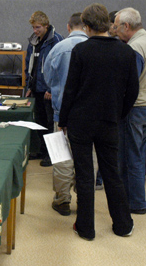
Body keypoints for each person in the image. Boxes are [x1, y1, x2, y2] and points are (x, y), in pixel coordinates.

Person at [59, 3, 138, 240]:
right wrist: (119, 113)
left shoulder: (81, 51)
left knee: (84, 175)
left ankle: (86, 228)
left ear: (87, 26)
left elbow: (70, 89)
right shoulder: (126, 52)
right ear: (108, 23)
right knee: (112, 172)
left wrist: (63, 120)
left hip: (81, 122)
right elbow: (133, 91)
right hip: (109, 121)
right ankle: (123, 225)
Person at [114, 7, 146, 214]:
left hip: (137, 108)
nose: (114, 30)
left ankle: (136, 203)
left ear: (126, 26)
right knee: (138, 155)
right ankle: (132, 198)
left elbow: (130, 84)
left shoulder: (134, 49)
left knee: (130, 157)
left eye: (116, 26)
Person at [44, 12, 88, 216]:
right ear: (87, 27)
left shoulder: (58, 49)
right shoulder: (95, 48)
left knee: (61, 158)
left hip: (61, 114)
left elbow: (48, 78)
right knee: (87, 158)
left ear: (68, 27)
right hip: (89, 115)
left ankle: (62, 200)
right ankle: (85, 198)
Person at [25, 11, 64, 166]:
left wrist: (50, 88)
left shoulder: (56, 40)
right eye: (34, 27)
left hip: (48, 91)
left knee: (50, 123)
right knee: (39, 122)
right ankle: (41, 150)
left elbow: (57, 67)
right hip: (36, 89)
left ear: (46, 26)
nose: (35, 31)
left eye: (38, 27)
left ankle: (51, 154)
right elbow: (29, 65)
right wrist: (29, 85)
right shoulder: (33, 41)